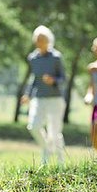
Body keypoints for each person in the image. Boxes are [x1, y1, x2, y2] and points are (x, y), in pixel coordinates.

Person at [21, 25, 66, 165]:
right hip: (38, 97)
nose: (40, 42)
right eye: (38, 39)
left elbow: (63, 78)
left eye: (43, 39)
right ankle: (46, 150)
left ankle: (60, 162)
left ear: (49, 40)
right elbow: (33, 78)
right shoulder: (33, 58)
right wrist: (27, 94)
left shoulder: (56, 57)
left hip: (55, 98)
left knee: (55, 131)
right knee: (33, 126)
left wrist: (53, 80)